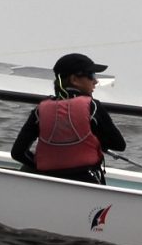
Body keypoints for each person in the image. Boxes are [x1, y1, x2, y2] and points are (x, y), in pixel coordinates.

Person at [11, 53, 126, 185]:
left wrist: (41, 166)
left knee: (28, 169)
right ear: (74, 80)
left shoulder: (40, 110)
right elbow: (119, 145)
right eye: (91, 75)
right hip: (86, 183)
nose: (96, 81)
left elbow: (17, 153)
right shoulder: (93, 107)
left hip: (47, 181)